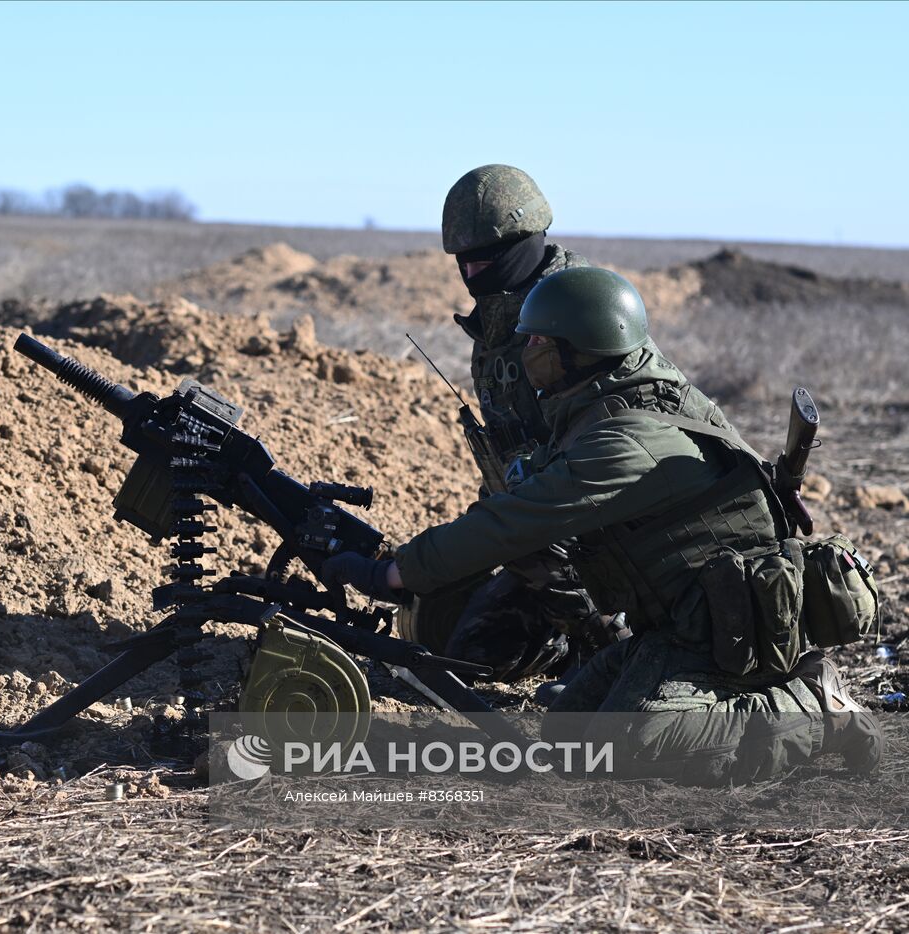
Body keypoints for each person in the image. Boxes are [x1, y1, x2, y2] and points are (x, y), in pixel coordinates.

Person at [324, 266, 882, 781]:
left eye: (541, 341)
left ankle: (816, 705)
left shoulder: (625, 441)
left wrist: (395, 574)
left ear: (581, 349)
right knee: (567, 736)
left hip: (735, 635)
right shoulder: (619, 398)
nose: (529, 351)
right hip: (681, 625)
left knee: (631, 750)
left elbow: (509, 523)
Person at [402, 164, 619, 687]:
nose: (473, 276)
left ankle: (614, 648)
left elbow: (619, 456)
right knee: (458, 651)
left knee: (614, 676)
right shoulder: (498, 321)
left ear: (527, 242)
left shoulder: (581, 313)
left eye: (487, 260)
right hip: (533, 534)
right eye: (464, 263)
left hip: (610, 540)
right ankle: (570, 642)